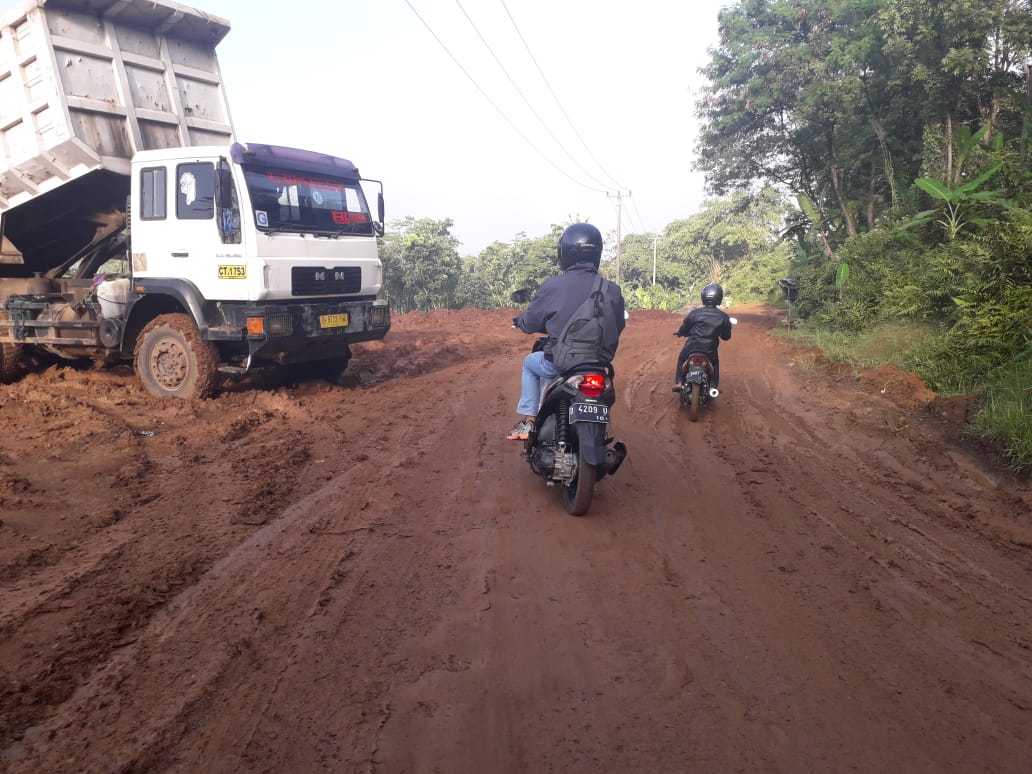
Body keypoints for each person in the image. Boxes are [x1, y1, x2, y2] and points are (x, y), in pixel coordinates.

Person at [507, 223, 626, 440]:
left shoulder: (552, 286)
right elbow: (618, 324)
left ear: (565, 253)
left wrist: (520, 321)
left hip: (560, 364)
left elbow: (531, 322)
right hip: (598, 365)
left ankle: (529, 422)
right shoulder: (612, 290)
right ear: (597, 252)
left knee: (530, 363)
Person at [673, 283, 732, 391]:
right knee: (715, 362)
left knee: (682, 358)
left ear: (703, 297)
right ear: (719, 298)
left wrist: (680, 333)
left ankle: (680, 382)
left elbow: (685, 327)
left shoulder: (695, 313)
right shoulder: (723, 317)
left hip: (692, 347)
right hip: (710, 350)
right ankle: (713, 387)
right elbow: (726, 336)